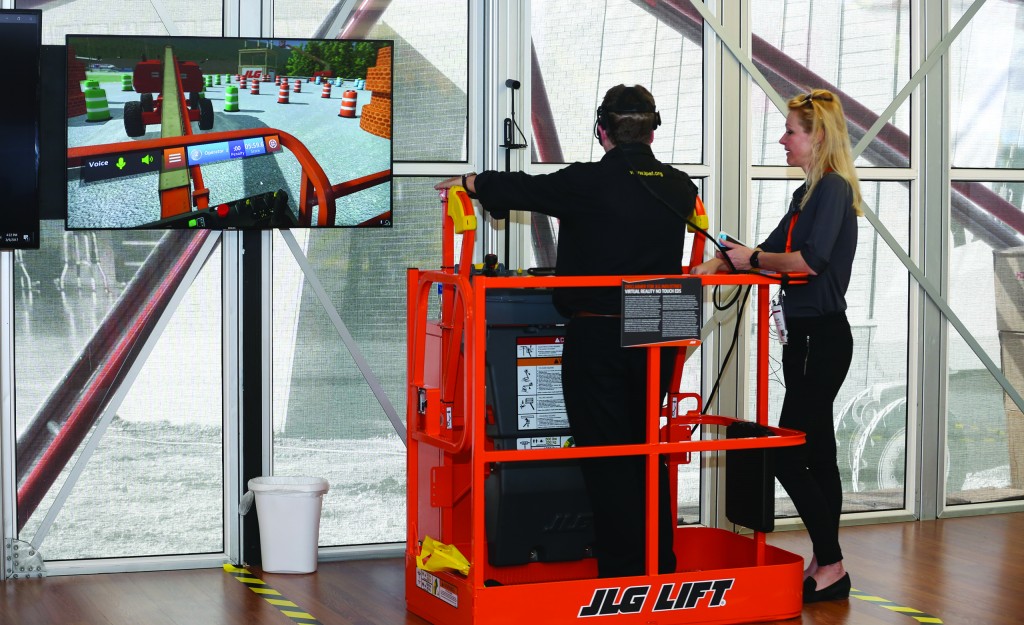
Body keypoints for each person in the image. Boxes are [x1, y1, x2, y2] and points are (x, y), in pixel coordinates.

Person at [435, 84, 698, 578]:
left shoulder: (588, 182)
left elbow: (524, 190)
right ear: (653, 131)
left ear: (602, 132)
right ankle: (658, 565)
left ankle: (623, 576)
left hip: (601, 328)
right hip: (663, 324)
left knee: (606, 454)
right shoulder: (681, 186)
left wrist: (472, 182)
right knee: (649, 449)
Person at [692, 88, 861, 603]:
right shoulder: (806, 194)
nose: (783, 140)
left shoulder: (831, 190)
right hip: (805, 339)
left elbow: (808, 262)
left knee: (787, 455)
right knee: (821, 454)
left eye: (792, 131)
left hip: (821, 338)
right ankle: (826, 565)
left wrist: (753, 260)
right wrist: (721, 262)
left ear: (819, 137)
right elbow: (767, 248)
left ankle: (830, 562)